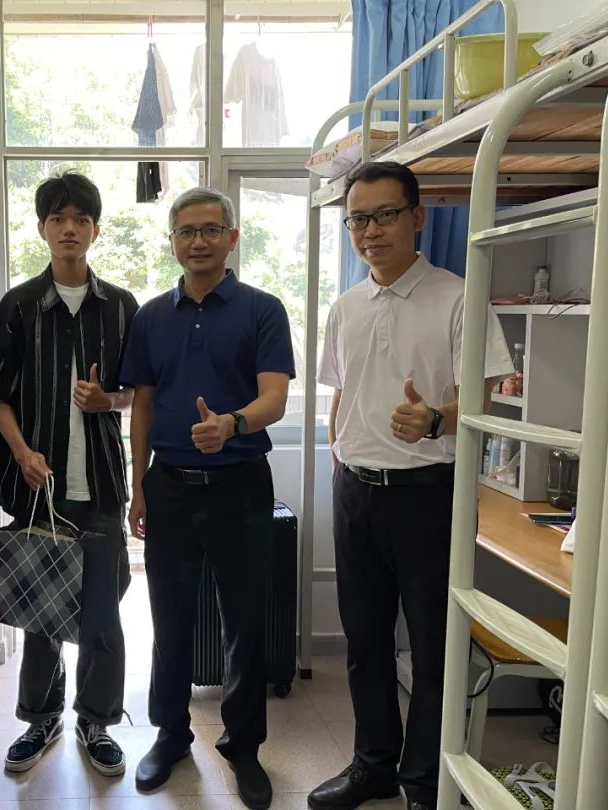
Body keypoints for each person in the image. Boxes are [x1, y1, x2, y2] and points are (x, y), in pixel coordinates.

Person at [307, 162, 513, 810]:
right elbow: (342, 392)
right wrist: (341, 456)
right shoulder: (345, 306)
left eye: (385, 215)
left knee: (432, 646)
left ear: (417, 217)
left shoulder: (458, 297)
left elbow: (482, 399)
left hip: (429, 492)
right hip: (356, 492)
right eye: (358, 220)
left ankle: (423, 781)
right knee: (364, 643)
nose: (370, 231)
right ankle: (373, 765)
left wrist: (434, 419)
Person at [120, 187, 294, 810]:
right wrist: (138, 485)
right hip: (169, 485)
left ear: (232, 238)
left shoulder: (262, 310)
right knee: (168, 619)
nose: (198, 241)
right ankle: (170, 735)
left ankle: (243, 745)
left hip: (240, 485)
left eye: (211, 230)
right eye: (186, 231)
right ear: (172, 241)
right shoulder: (151, 316)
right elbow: (142, 404)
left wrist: (232, 424)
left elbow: (274, 398)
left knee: (245, 622)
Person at [0, 171, 138, 777]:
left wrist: (108, 401)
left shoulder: (121, 307)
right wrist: (20, 452)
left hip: (101, 485)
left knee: (101, 615)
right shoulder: (19, 306)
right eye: (58, 219)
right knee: (41, 614)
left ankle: (96, 722)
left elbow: (138, 393)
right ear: (42, 228)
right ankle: (40, 719)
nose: (69, 229)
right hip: (37, 488)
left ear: (95, 230)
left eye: (81, 220)